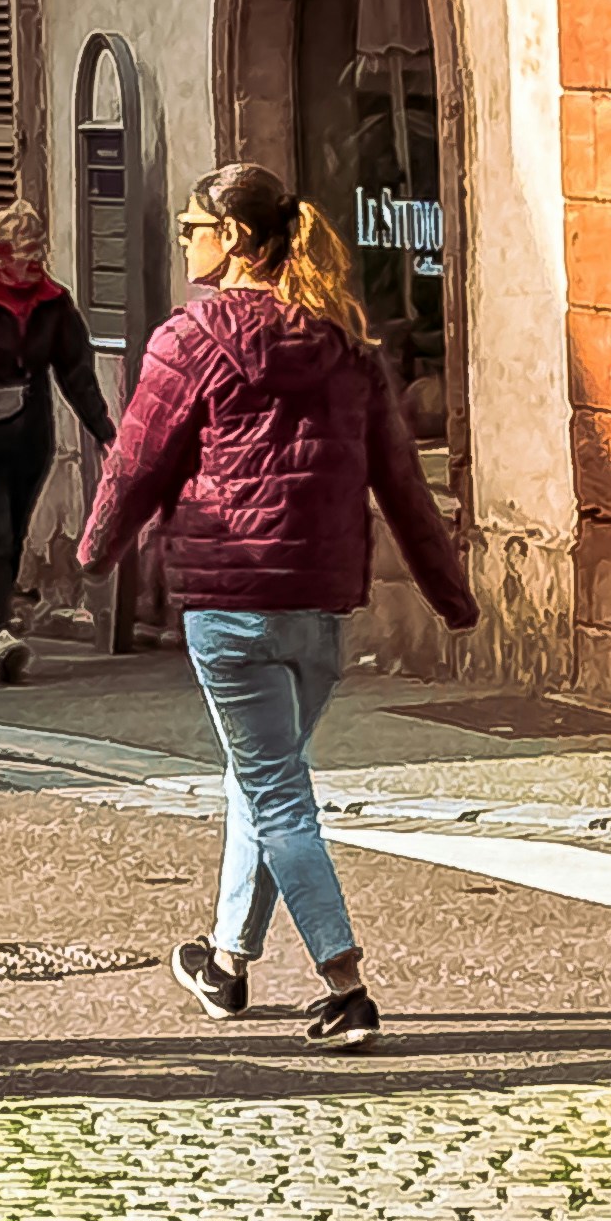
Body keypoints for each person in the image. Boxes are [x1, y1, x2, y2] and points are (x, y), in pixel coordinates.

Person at [79, 160, 476, 1055]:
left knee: (278, 793)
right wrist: (450, 594)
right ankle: (225, 960)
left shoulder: (190, 339)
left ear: (238, 242)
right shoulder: (347, 346)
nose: (186, 239)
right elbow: (405, 486)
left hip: (232, 600)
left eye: (195, 226)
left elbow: (137, 459)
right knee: (260, 776)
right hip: (322, 603)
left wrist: (95, 549)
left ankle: (346, 984)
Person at [0, 197, 116, 684]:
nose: (34, 260)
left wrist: (105, 433)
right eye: (23, 251)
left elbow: (76, 373)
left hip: (29, 439)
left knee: (11, 535)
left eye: (39, 248)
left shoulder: (54, 303)